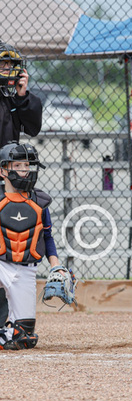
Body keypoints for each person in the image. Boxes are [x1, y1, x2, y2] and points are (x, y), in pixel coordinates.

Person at [0, 143, 64, 350]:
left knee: (25, 339)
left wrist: (56, 266)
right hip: (1, 265)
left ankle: (7, 333)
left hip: (26, 270)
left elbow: (47, 236)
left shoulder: (39, 201)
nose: (23, 170)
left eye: (26, 165)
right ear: (3, 171)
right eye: (17, 165)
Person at [0, 43, 43, 326]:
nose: (7, 70)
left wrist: (22, 95)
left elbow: (33, 127)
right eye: (2, 65)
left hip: (7, 178)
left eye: (10, 65)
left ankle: (9, 314)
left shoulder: (13, 99)